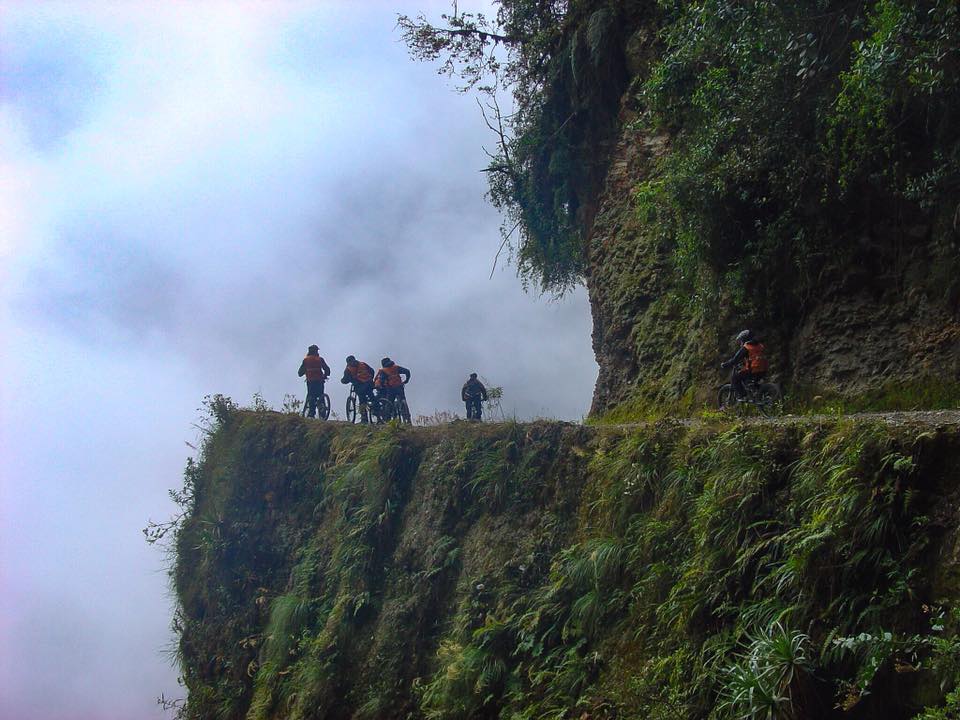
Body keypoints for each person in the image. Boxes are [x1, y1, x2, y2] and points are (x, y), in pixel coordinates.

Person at [721, 330, 769, 400]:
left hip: (753, 370)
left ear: (744, 339)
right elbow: (754, 357)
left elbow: (735, 360)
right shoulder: (760, 346)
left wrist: (725, 364)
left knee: (735, 378)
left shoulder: (746, 347)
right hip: (763, 370)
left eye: (741, 340)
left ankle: (743, 396)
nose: (741, 342)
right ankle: (758, 395)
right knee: (752, 382)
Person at [297, 344, 330, 418]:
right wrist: (325, 375)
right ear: (316, 351)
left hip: (311, 381)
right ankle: (323, 414)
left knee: (311, 396)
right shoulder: (320, 359)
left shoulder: (306, 360)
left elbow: (300, 373)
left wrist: (306, 371)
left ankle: (311, 414)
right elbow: (327, 370)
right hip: (320, 381)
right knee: (321, 395)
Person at [341, 355, 376, 423]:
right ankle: (377, 409)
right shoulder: (362, 364)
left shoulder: (349, 368)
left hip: (360, 386)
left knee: (362, 401)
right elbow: (372, 371)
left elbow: (346, 379)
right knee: (372, 397)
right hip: (369, 383)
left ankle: (364, 419)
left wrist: (342, 381)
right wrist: (371, 378)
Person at [374, 357, 411, 422]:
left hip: (391, 389)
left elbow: (382, 380)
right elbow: (407, 371)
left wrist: (381, 386)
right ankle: (407, 417)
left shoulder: (383, 371)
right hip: (399, 387)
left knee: (389, 403)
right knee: (402, 400)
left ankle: (387, 419)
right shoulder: (396, 367)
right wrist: (406, 380)